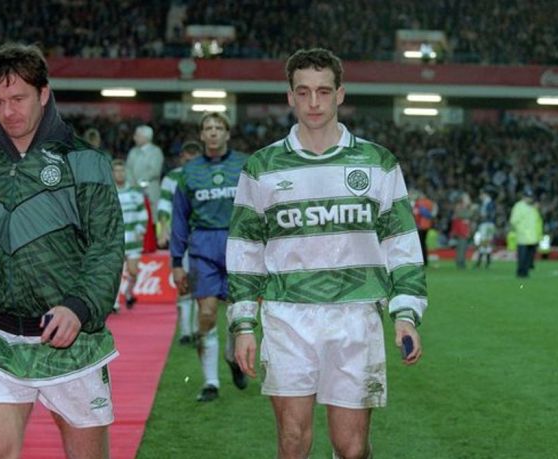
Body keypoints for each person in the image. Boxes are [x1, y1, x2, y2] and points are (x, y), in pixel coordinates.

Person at [227, 48, 427, 459]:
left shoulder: (377, 163)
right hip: (287, 316)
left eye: (323, 91)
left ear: (340, 94)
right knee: (292, 441)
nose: (313, 102)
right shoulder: (262, 167)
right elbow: (245, 250)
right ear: (290, 97)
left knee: (351, 448)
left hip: (356, 315)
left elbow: (402, 244)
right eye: (303, 92)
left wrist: (406, 314)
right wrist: (243, 324)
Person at [0, 42, 124, 459]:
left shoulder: (85, 161)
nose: (8, 112)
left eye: (18, 98)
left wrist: (79, 306)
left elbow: (106, 246)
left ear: (44, 93)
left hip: (71, 339)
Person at [170, 112, 248, 402]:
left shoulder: (245, 165)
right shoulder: (189, 172)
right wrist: (176, 262)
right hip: (203, 246)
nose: (213, 132)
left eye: (218, 127)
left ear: (227, 133)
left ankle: (231, 355)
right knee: (206, 314)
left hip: (239, 246)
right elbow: (179, 218)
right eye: (208, 128)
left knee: (238, 316)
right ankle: (211, 383)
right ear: (202, 135)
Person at [156, 140, 203, 344]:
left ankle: (198, 330)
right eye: (187, 159)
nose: (189, 163)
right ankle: (185, 331)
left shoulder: (207, 175)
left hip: (203, 236)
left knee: (201, 285)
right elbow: (164, 205)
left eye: (194, 160)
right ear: (181, 158)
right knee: (183, 282)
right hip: (181, 236)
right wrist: (162, 230)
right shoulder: (172, 178)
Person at [113, 158, 149, 311]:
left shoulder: (135, 192)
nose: (120, 174)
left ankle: (128, 293)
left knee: (133, 272)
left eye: (122, 171)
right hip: (116, 240)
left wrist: (141, 230)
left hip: (133, 239)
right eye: (117, 171)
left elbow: (143, 213)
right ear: (112, 174)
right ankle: (114, 303)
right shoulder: (109, 193)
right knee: (115, 273)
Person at [125, 124, 164, 208]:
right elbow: (128, 169)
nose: (134, 138)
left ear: (146, 137)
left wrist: (138, 183)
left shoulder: (155, 152)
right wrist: (131, 183)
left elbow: (154, 171)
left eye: (137, 136)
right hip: (133, 191)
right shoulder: (133, 151)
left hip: (149, 191)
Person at [509, 187, 542, 278]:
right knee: (522, 257)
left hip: (533, 237)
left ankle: (525, 273)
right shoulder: (518, 206)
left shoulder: (533, 208)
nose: (530, 199)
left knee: (529, 257)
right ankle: (520, 272)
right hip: (523, 237)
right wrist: (520, 230)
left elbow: (537, 222)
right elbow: (514, 221)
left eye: (531, 197)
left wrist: (538, 236)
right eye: (528, 197)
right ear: (524, 197)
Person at [412, 189, 438, 267]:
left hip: (420, 226)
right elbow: (432, 214)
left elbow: (417, 213)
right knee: (423, 243)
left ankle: (422, 260)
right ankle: (425, 261)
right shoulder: (429, 203)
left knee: (420, 244)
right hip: (427, 226)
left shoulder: (419, 203)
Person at [473, 189, 496, 269]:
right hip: (490, 224)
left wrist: (480, 215)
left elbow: (488, 215)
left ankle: (480, 262)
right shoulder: (489, 203)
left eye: (481, 194)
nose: (480, 196)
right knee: (487, 242)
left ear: (485, 194)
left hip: (486, 224)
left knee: (484, 242)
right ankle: (487, 262)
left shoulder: (488, 203)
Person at [450, 192, 473, 269]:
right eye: (467, 198)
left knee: (463, 247)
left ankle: (461, 262)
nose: (469, 200)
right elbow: (463, 215)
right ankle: (460, 263)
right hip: (461, 230)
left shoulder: (465, 207)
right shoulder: (459, 207)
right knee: (461, 247)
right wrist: (470, 213)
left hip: (464, 230)